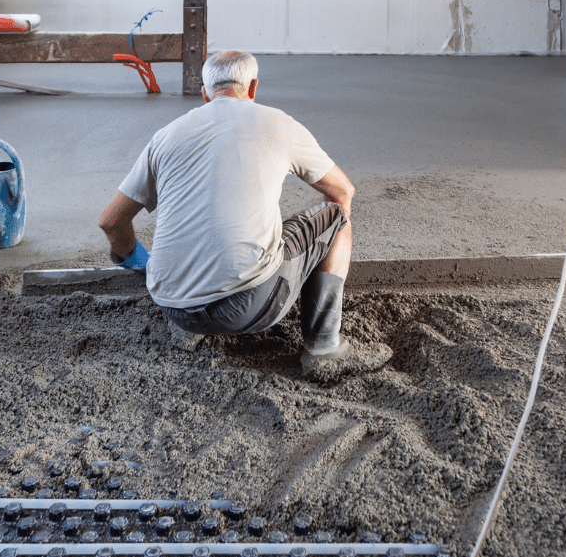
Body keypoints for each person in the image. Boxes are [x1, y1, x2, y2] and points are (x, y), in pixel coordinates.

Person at [98, 50, 392, 381]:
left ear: (204, 92)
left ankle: (192, 328)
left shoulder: (165, 136)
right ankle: (325, 347)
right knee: (336, 216)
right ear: (252, 88)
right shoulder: (278, 123)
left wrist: (140, 262)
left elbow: (111, 222)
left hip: (173, 307)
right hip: (248, 308)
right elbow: (342, 191)